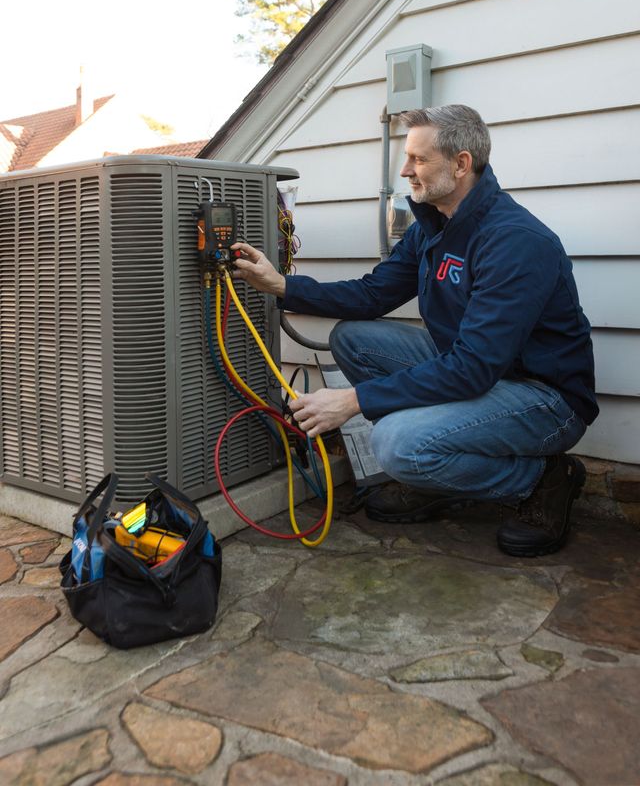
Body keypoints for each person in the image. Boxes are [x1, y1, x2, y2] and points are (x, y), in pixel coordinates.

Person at [232, 105, 598, 556]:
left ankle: (541, 478)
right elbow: (372, 295)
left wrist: (351, 401)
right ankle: (434, 465)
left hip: (542, 397)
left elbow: (472, 368)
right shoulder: (435, 225)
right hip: (483, 373)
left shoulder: (516, 241)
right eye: (407, 158)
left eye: (419, 160)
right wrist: (283, 285)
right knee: (354, 338)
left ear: (461, 164)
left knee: (395, 444)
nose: (405, 170)